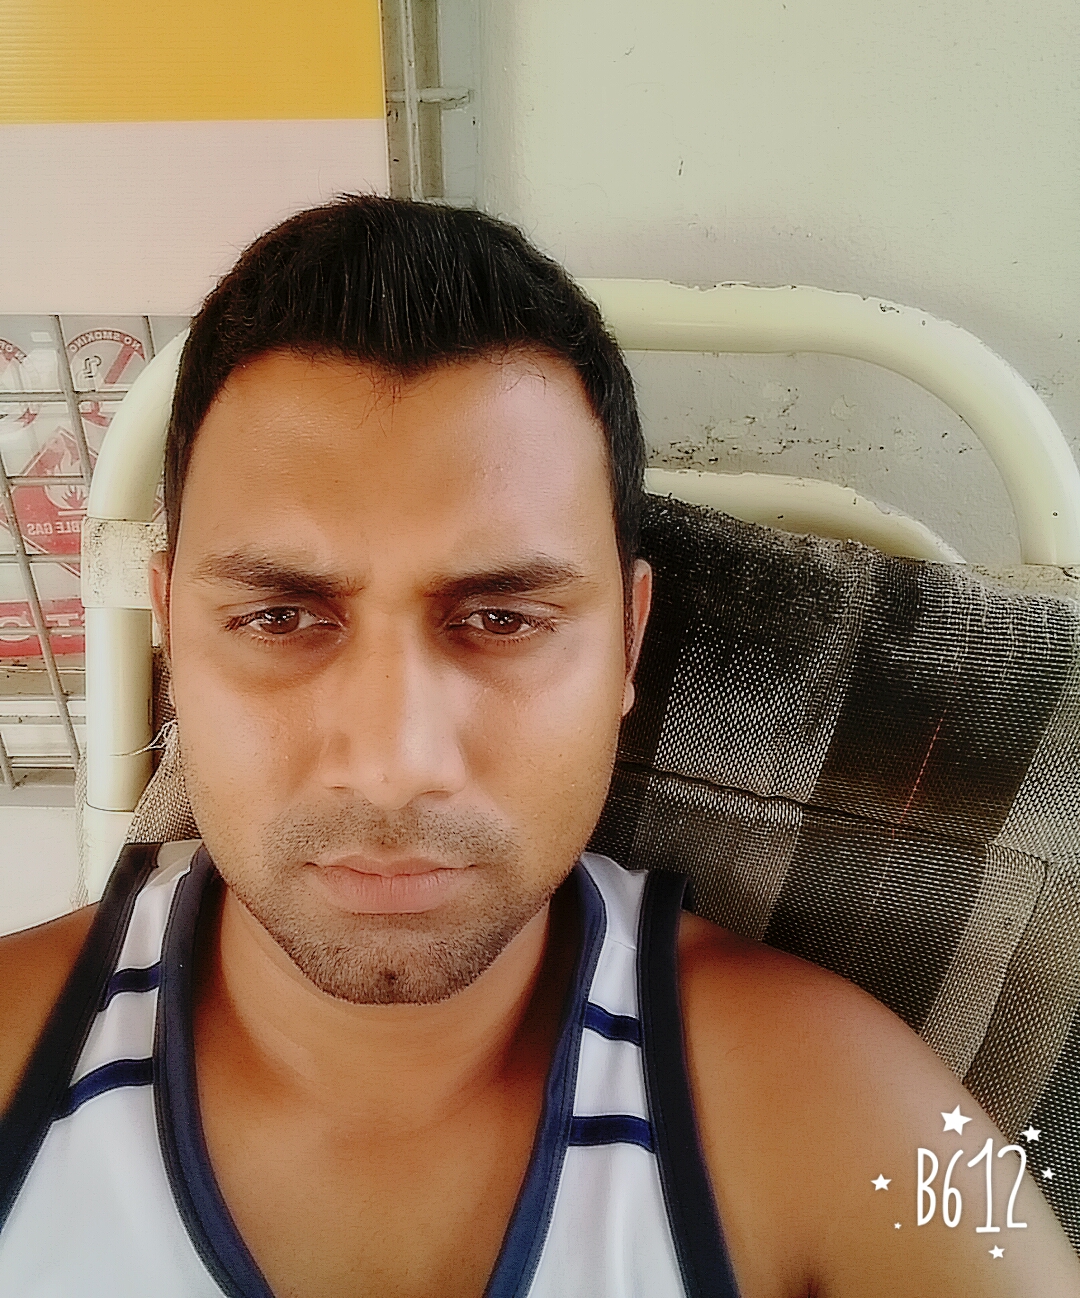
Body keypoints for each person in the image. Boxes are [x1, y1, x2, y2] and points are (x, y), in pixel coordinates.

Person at [0, 198, 1077, 1298]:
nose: (394, 764)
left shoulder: (866, 1124)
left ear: (628, 644)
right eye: (279, 617)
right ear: (170, 635)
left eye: (502, 618)